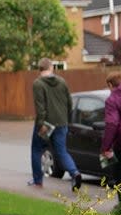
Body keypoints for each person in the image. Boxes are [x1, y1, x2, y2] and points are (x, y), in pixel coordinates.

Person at [29, 58, 82, 191]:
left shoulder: (38, 84)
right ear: (51, 67)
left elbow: (40, 107)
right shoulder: (62, 81)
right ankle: (74, 172)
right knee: (61, 151)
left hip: (46, 124)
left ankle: (38, 181)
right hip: (61, 122)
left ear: (40, 69)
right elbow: (70, 103)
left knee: (37, 149)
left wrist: (41, 124)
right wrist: (65, 118)